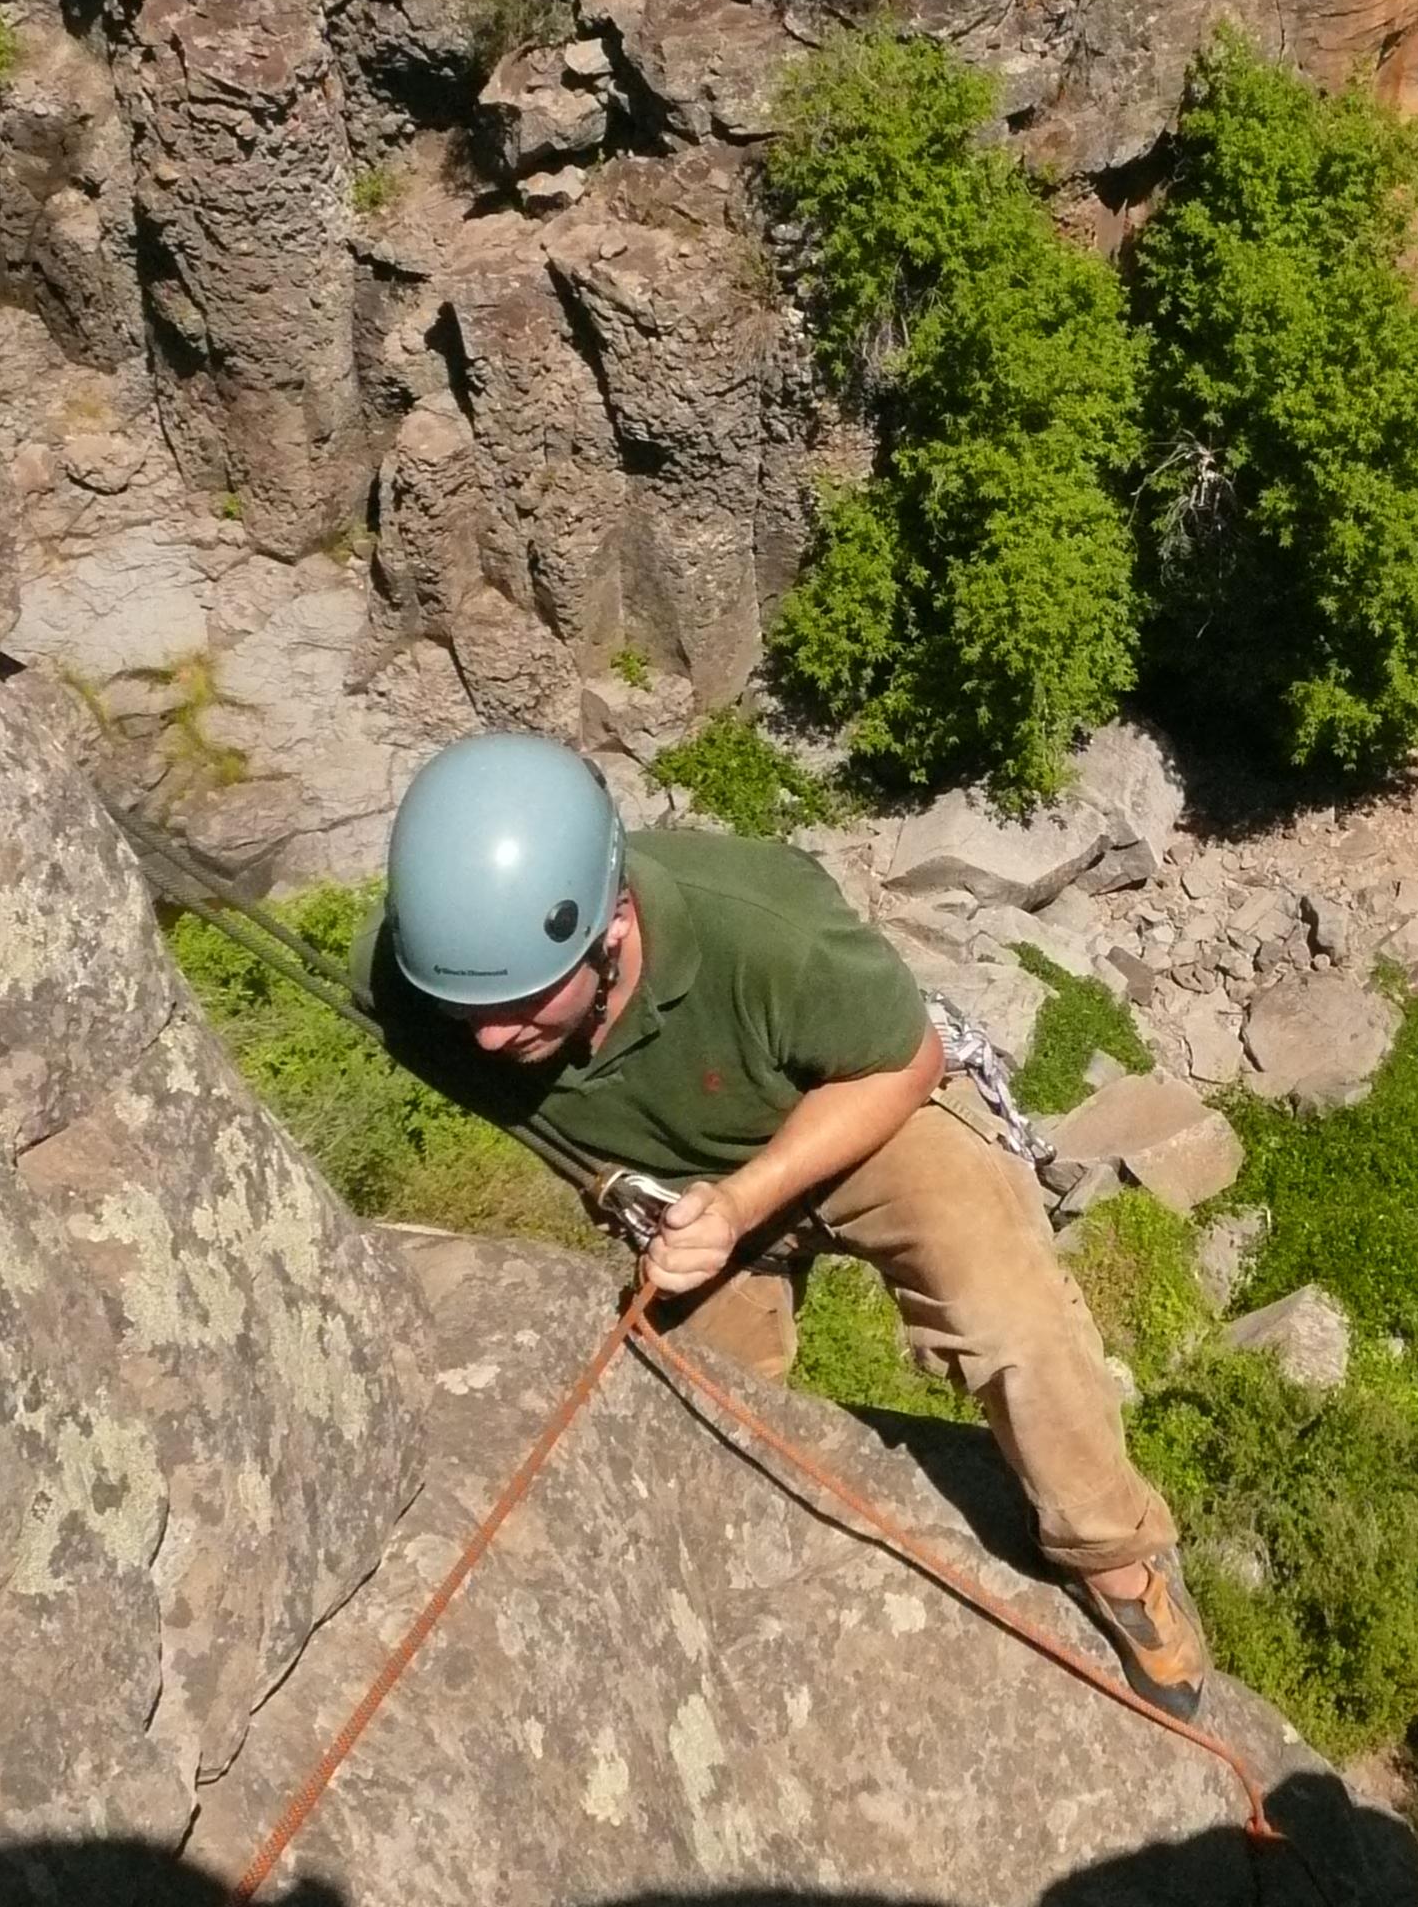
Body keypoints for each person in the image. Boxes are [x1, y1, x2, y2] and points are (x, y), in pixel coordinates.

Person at [352, 731, 1208, 1718]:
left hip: (854, 1108)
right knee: (704, 1403)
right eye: (471, 1010)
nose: (493, 1037)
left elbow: (908, 1060)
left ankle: (1117, 1558)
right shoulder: (420, 998)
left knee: (1009, 1310)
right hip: (680, 1183)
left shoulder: (761, 929)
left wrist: (744, 1201)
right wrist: (638, 1197)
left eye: (520, 1002)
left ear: (614, 922)